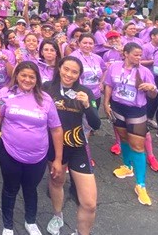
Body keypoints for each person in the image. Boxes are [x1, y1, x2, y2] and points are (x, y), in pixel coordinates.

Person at [0, 61, 63, 235]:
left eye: (32, 76)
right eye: (23, 75)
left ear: (37, 79)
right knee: (10, 188)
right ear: (16, 76)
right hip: (9, 151)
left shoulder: (45, 99)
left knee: (31, 189)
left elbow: (56, 129)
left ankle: (30, 221)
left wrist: (58, 159)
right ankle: (7, 226)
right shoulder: (5, 93)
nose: (27, 80)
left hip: (38, 156)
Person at [43, 56, 100, 235]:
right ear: (59, 68)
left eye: (74, 72)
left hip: (77, 147)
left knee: (89, 204)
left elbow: (96, 124)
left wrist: (87, 106)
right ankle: (57, 215)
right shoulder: (46, 88)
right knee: (56, 181)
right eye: (66, 69)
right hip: (53, 146)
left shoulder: (85, 92)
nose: (69, 74)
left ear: (79, 75)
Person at [104, 43, 158, 206]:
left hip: (136, 110)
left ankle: (140, 185)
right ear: (125, 54)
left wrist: (151, 88)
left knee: (138, 146)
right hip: (118, 106)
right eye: (135, 54)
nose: (139, 57)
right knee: (124, 138)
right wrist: (106, 103)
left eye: (140, 55)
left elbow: (154, 94)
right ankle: (127, 166)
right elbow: (109, 85)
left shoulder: (145, 72)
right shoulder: (114, 67)